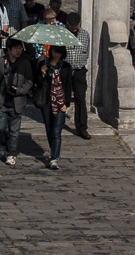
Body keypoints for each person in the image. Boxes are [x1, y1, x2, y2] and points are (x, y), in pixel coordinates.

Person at [0, 38, 35, 166]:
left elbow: (29, 80)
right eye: (16, 48)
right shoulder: (1, 62)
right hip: (2, 100)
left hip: (17, 101)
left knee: (14, 131)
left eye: (20, 48)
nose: (18, 51)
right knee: (0, 127)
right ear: (8, 49)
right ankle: (3, 144)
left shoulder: (25, 63)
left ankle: (11, 153)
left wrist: (20, 90)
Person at [35, 45, 72, 169]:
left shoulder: (66, 67)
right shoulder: (43, 63)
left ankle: (54, 157)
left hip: (60, 101)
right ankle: (54, 150)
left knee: (57, 130)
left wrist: (66, 103)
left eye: (59, 52)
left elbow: (68, 86)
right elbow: (38, 82)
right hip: (46, 99)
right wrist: (43, 73)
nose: (57, 55)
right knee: (49, 128)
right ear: (51, 51)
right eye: (55, 52)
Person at [64, 11, 91, 140]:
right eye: (72, 26)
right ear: (67, 24)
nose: (74, 28)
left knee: (81, 98)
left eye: (76, 25)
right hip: (65, 69)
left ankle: (82, 127)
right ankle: (58, 123)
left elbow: (86, 52)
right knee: (64, 98)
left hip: (79, 70)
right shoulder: (62, 34)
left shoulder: (85, 35)